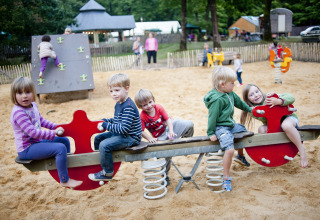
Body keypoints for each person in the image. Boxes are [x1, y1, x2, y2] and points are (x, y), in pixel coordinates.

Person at [10, 77, 82, 188]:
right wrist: (54, 132)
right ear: (14, 95)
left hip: (36, 142)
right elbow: (33, 132)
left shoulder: (33, 105)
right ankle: (64, 180)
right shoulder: (19, 112)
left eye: (28, 92)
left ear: (33, 92)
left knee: (64, 140)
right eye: (20, 93)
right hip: (27, 148)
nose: (24, 96)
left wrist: (57, 127)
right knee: (60, 148)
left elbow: (41, 121)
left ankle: (65, 169)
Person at [203, 66, 252, 191]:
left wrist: (250, 109)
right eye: (232, 83)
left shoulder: (229, 93)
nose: (234, 85)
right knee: (229, 150)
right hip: (220, 128)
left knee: (243, 131)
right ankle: (226, 178)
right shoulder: (217, 100)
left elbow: (239, 103)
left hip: (231, 125)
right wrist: (210, 132)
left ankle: (240, 156)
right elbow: (212, 117)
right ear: (223, 84)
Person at [134, 89, 194, 185]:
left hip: (169, 128)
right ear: (140, 106)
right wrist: (150, 138)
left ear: (153, 100)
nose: (149, 106)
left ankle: (184, 143)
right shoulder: (142, 116)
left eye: (150, 102)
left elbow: (168, 120)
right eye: (145, 105)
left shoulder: (158, 107)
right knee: (166, 155)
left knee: (189, 124)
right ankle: (164, 175)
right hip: (160, 137)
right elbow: (140, 131)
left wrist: (171, 131)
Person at [89, 73, 142, 181]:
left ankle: (107, 172)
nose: (114, 94)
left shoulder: (128, 106)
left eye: (117, 90)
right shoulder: (119, 103)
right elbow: (117, 120)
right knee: (98, 139)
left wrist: (106, 125)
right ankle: (102, 163)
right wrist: (106, 121)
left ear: (127, 88)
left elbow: (123, 129)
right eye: (111, 91)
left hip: (130, 137)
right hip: (122, 134)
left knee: (104, 145)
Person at [240, 84, 309, 168]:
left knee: (286, 125)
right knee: (261, 129)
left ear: (260, 91)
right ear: (248, 100)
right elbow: (263, 117)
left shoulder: (270, 98)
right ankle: (272, 151)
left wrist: (279, 101)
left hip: (289, 119)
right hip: (274, 125)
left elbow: (291, 97)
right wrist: (265, 107)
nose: (256, 95)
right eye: (251, 95)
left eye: (257, 91)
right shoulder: (253, 110)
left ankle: (302, 151)